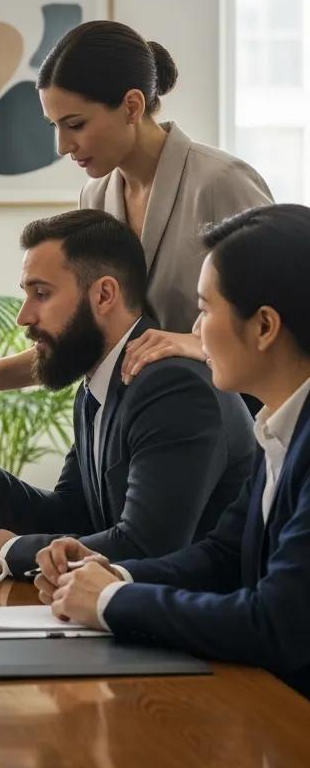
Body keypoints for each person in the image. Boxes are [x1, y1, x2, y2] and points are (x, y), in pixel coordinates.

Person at [0, 21, 272, 420]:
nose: (63, 146)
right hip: (139, 425)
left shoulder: (221, 183)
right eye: (55, 126)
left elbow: (286, 319)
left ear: (132, 106)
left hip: (235, 431)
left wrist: (197, 343)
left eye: (75, 124)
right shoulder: (96, 197)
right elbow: (92, 333)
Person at [0, 210, 254, 576]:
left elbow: (146, 547)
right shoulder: (98, 385)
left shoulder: (172, 387)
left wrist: (9, 550)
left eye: (41, 293)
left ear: (104, 294)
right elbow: (72, 515)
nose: (23, 317)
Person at [40, 205, 310, 699]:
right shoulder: (277, 430)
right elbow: (224, 555)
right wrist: (110, 572)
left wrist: (112, 600)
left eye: (204, 310)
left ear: (264, 327)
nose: (194, 331)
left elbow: (276, 623)